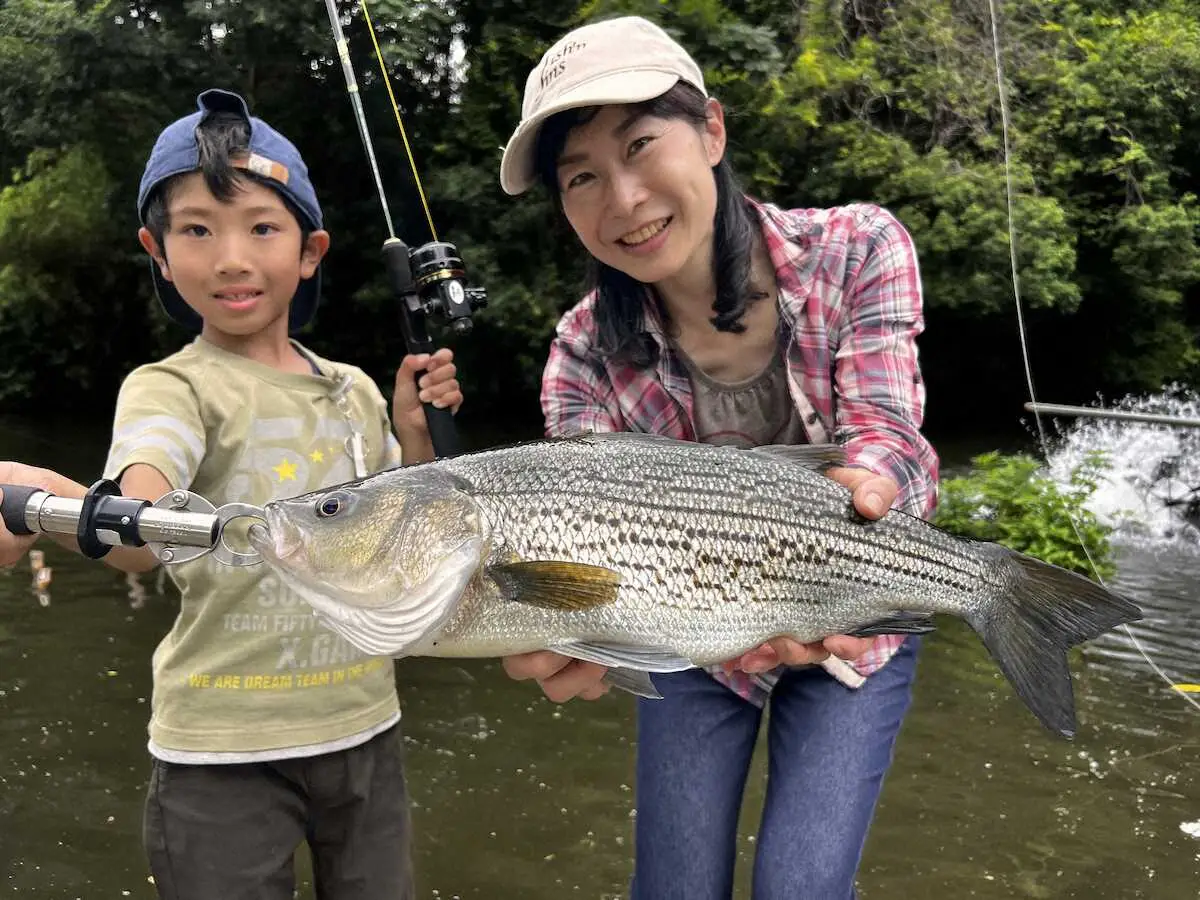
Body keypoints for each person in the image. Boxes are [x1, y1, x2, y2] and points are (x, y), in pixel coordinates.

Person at [495, 16, 940, 900]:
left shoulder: (859, 248)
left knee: (801, 888)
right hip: (690, 639)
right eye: (582, 177)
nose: (622, 200)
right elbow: (581, 536)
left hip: (854, 603)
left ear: (713, 131)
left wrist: (874, 488)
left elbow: (891, 440)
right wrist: (563, 627)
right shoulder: (582, 352)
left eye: (641, 145)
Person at [0, 89, 463, 899]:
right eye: (197, 230)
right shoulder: (171, 386)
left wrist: (416, 435)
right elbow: (144, 506)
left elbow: (405, 528)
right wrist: (84, 501)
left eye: (262, 227)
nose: (232, 259)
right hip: (218, 754)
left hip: (364, 730)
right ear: (158, 249)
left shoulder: (354, 388)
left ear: (310, 250)